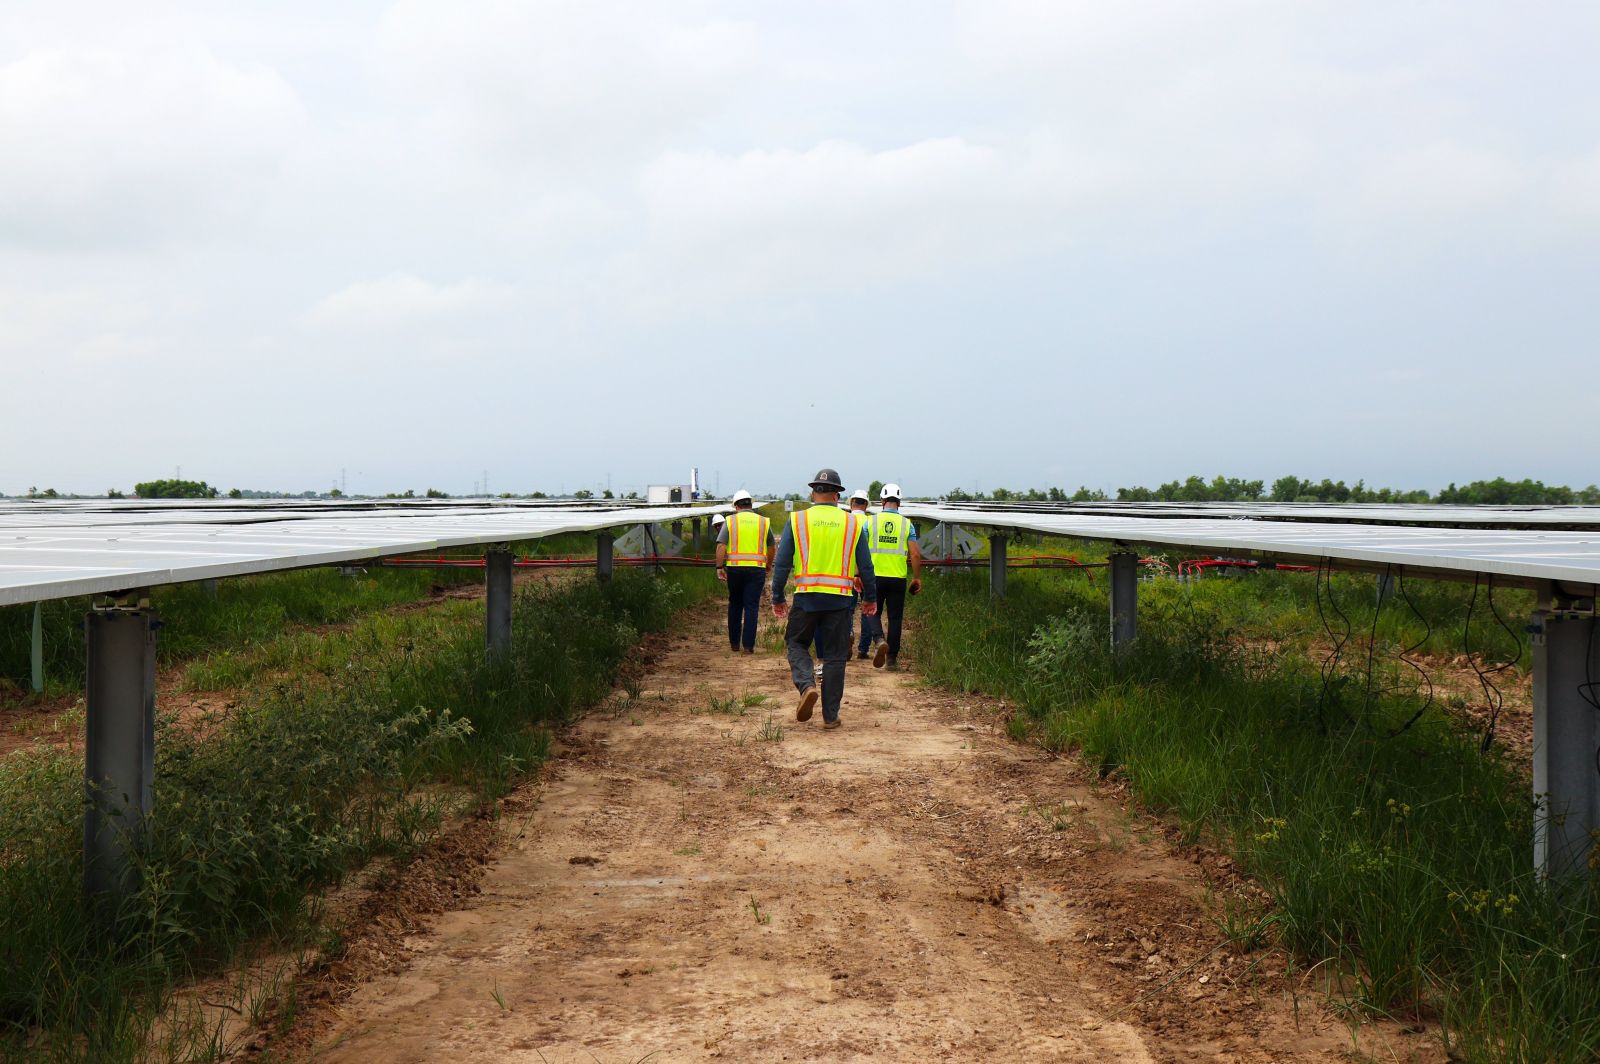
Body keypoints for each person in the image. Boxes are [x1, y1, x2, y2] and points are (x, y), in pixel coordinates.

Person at [771, 469, 878, 730]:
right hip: (840, 599)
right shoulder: (853, 523)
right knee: (835, 657)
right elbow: (866, 566)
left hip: (806, 597)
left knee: (796, 643)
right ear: (838, 494)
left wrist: (777, 596)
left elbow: (782, 562)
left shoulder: (797, 520)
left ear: (813, 491)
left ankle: (807, 686)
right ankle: (830, 716)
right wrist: (870, 598)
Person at [867, 483, 922, 670]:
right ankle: (891, 659)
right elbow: (914, 554)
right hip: (897, 577)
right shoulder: (907, 524)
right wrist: (916, 577)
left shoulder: (870, 522)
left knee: (871, 610)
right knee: (895, 617)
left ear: (882, 501)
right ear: (899, 502)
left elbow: (861, 550)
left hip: (874, 575)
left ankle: (879, 639)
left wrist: (858, 572)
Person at [714, 490, 774, 654]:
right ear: (751, 504)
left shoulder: (730, 521)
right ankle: (748, 646)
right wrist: (768, 564)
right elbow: (771, 546)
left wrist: (719, 567)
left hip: (735, 569)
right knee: (751, 606)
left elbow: (721, 546)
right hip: (756, 570)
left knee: (735, 604)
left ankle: (734, 644)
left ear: (736, 505)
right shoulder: (763, 522)